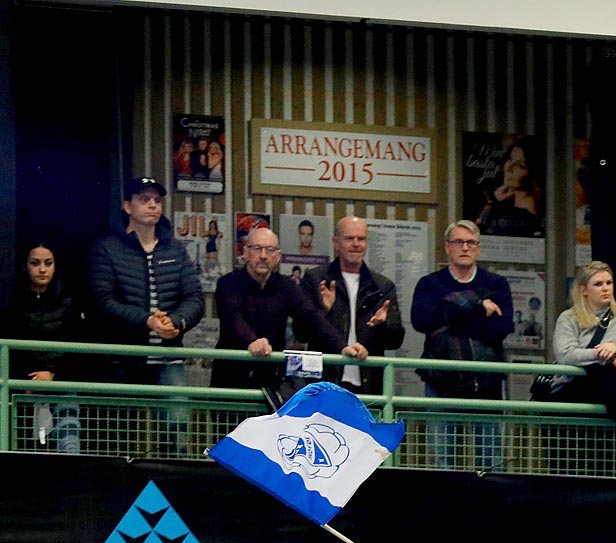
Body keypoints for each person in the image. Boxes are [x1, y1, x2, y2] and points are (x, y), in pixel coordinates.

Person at [86, 176, 203, 438]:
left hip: (168, 357)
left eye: (157, 200)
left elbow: (195, 297)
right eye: (144, 199)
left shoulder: (176, 250)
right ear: (127, 206)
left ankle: (170, 480)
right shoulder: (107, 249)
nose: (152, 205)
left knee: (177, 431)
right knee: (118, 433)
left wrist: (177, 322)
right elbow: (102, 301)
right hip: (124, 357)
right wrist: (147, 320)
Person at [411, 220, 514, 468]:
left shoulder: (496, 285)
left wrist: (451, 315)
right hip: (441, 382)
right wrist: (478, 308)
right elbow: (422, 321)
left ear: (478, 248)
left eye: (471, 242)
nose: (465, 247)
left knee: (490, 461)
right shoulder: (430, 284)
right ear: (447, 247)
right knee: (442, 460)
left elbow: (501, 328)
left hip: (486, 383)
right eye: (459, 242)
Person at [213, 226, 361, 392]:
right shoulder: (228, 283)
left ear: (277, 257)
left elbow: (310, 316)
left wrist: (343, 346)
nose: (263, 256)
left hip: (271, 384)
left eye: (270, 250)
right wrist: (252, 341)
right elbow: (233, 318)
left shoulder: (287, 285)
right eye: (257, 249)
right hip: (230, 382)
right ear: (246, 253)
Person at [303, 216, 407, 393]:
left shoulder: (382, 286)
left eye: (361, 239)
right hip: (324, 381)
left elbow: (395, 341)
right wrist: (323, 309)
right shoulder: (315, 279)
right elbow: (301, 333)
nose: (356, 244)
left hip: (368, 383)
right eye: (349, 238)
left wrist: (384, 325)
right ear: (336, 242)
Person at [4, 241, 85, 453]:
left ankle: (71, 471)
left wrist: (52, 375)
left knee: (69, 436)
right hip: (19, 386)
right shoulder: (10, 303)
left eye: (48, 263)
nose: (42, 269)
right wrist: (27, 380)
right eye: (35, 263)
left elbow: (77, 349)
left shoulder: (69, 304)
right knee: (15, 443)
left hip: (61, 385)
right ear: (24, 266)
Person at [551, 260, 616, 420]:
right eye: (598, 284)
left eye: (609, 283)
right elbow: (566, 355)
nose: (605, 288)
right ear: (583, 290)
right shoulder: (568, 317)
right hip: (577, 388)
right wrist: (608, 356)